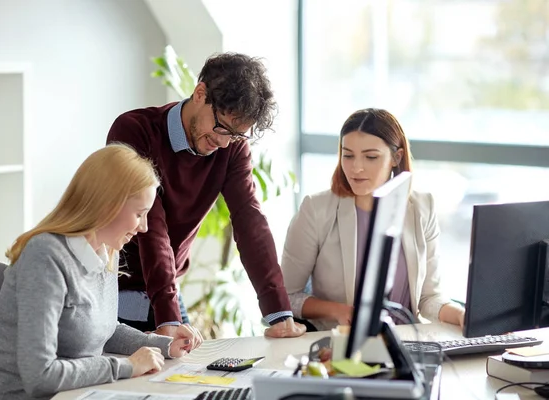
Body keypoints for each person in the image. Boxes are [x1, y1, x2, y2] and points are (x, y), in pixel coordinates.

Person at [0, 144, 203, 400]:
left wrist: (165, 345)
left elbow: (106, 329)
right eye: (139, 214)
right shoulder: (45, 257)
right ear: (108, 205)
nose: (144, 227)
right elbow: (40, 377)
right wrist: (127, 366)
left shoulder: (105, 252)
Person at [106, 52, 305, 338]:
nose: (224, 143)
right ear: (200, 93)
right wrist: (169, 318)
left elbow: (250, 220)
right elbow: (153, 228)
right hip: (117, 295)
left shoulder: (231, 148)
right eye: (222, 127)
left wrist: (278, 312)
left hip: (168, 294)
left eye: (236, 135)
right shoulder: (135, 131)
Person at [281, 108, 465, 332]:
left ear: (396, 158)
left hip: (404, 343)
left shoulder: (422, 207)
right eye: (348, 155)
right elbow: (286, 297)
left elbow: (429, 299)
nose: (356, 167)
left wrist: (462, 315)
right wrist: (339, 311)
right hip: (339, 345)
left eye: (370, 157)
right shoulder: (316, 209)